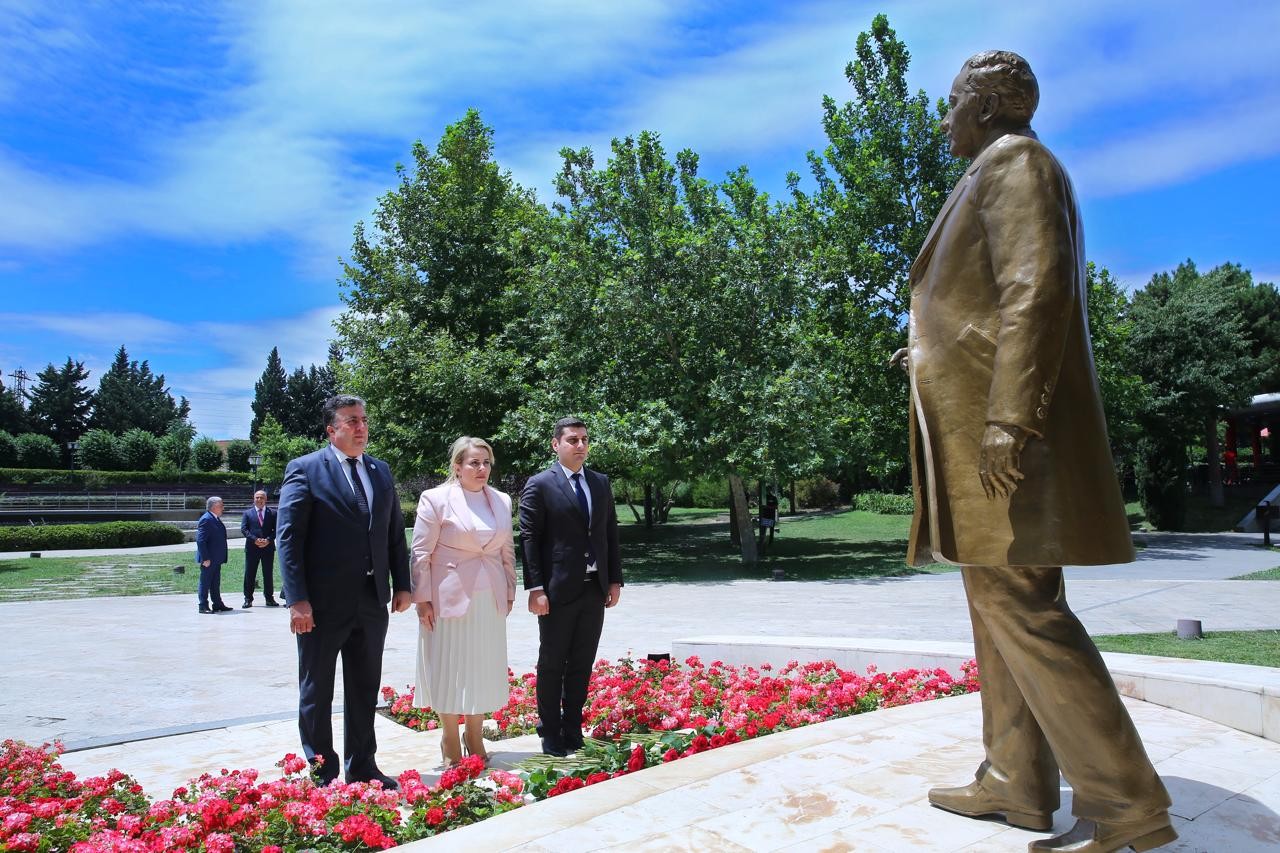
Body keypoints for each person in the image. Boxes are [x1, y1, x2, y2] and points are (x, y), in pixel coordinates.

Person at [892, 51, 1175, 853]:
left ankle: (1129, 805)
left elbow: (1034, 286)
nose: (943, 119)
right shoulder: (995, 167)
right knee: (996, 600)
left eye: (951, 104)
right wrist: (930, 352)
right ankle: (1016, 778)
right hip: (982, 421)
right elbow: (981, 301)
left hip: (1004, 437)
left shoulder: (1015, 162)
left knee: (1023, 604)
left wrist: (1007, 418)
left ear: (984, 107)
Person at [277, 394, 412, 788]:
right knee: (317, 689)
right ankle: (323, 771)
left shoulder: (380, 471)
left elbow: (393, 535)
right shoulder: (305, 470)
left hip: (371, 600)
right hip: (321, 604)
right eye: (351, 420)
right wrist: (297, 600)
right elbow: (289, 540)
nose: (361, 427)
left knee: (364, 686)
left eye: (364, 419)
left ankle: (363, 766)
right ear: (331, 430)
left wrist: (401, 584)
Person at [519, 416, 623, 757]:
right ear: (556, 445)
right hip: (557, 590)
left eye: (584, 439)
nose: (580, 445)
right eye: (572, 440)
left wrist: (614, 579)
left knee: (582, 661)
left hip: (594, 587)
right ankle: (550, 731)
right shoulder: (540, 484)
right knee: (552, 662)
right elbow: (530, 540)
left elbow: (609, 533)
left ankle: (572, 727)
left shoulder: (600, 482)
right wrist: (535, 588)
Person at [410, 436, 516, 766]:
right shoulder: (436, 499)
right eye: (473, 462)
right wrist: (422, 599)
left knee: (483, 667)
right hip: (448, 598)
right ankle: (449, 736)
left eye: (486, 463)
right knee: (449, 666)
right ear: (457, 467)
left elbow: (506, 550)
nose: (481, 468)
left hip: (490, 598)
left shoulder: (501, 500)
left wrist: (510, 590)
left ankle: (474, 733)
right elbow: (421, 552)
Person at [240, 489, 280, 608]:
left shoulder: (273, 513)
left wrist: (268, 539)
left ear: (266, 499)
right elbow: (244, 529)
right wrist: (255, 539)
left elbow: (277, 529)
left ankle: (269, 598)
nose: (259, 500)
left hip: (268, 548)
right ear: (254, 499)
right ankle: (248, 599)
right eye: (257, 497)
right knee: (250, 574)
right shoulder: (247, 513)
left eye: (261, 497)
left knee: (268, 574)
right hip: (252, 548)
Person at [195, 496, 230, 614]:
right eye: (221, 505)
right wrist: (205, 558)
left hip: (216, 558)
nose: (223, 508)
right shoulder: (206, 519)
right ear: (214, 506)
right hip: (208, 559)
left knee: (215, 582)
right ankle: (203, 605)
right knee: (205, 582)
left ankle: (217, 604)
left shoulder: (215, 518)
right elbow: (201, 541)